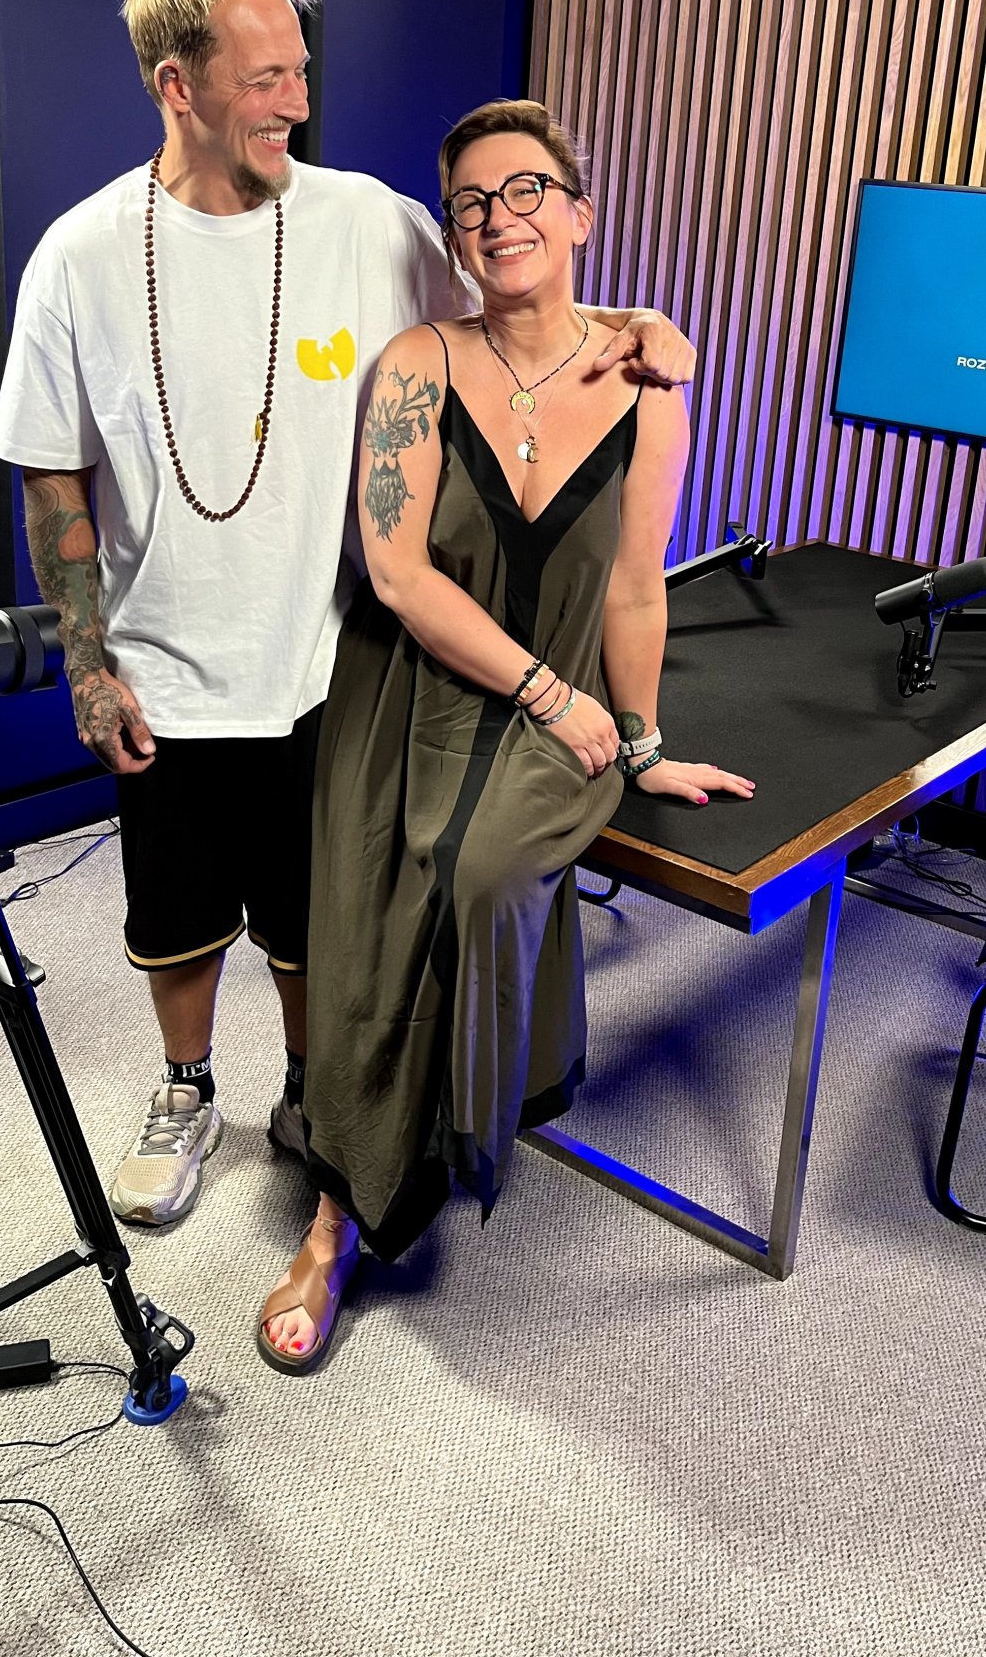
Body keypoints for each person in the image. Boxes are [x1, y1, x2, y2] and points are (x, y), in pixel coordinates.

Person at [0, 0, 697, 1231]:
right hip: (162, 662)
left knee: (321, 923)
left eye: (301, 70)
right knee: (176, 913)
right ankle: (187, 1086)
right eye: (264, 77)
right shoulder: (77, 258)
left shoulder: (374, 223)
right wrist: (87, 664)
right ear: (176, 84)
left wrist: (638, 328)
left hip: (339, 667)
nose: (297, 100)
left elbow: (512, 310)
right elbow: (52, 479)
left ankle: (312, 1095)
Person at [257, 99, 753, 1371]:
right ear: (456, 235)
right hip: (413, 685)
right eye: (472, 202)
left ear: (580, 212)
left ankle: (456, 1119)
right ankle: (337, 1212)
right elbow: (397, 571)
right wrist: (548, 691)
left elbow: (635, 588)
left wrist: (639, 738)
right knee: (378, 910)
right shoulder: (417, 364)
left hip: (561, 702)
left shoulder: (649, 379)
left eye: (526, 188)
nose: (498, 217)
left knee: (477, 871)